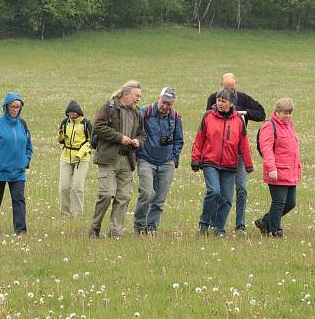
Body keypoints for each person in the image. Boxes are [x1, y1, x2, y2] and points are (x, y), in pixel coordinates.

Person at [206, 73, 264, 232]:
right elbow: (208, 120)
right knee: (217, 192)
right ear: (220, 84)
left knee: (242, 188)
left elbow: (261, 114)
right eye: (226, 87)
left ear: (236, 84)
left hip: (238, 153)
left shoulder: (243, 98)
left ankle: (240, 224)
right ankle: (214, 223)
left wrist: (243, 113)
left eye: (232, 87)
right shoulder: (213, 98)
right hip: (218, 154)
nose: (229, 90)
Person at [192, 88, 254, 236]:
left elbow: (244, 143)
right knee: (214, 191)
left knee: (226, 198)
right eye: (218, 100)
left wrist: (248, 164)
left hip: (230, 164)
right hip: (210, 162)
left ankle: (219, 228)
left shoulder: (239, 120)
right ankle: (204, 223)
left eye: (223, 101)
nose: (220, 103)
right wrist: (195, 158)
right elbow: (199, 138)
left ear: (231, 103)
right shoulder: (208, 116)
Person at [90, 80, 146, 238]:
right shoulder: (109, 108)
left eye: (140, 96)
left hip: (127, 160)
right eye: (137, 96)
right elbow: (98, 127)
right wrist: (119, 138)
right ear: (126, 94)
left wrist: (138, 142)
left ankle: (115, 232)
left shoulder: (136, 113)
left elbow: (142, 134)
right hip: (108, 159)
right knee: (106, 194)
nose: (138, 99)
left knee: (123, 197)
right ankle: (95, 227)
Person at [132, 87, 184, 234]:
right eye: (163, 102)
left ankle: (152, 228)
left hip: (167, 162)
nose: (165, 106)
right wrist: (137, 153)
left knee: (159, 199)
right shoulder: (145, 112)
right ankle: (139, 226)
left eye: (169, 104)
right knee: (147, 193)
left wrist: (174, 159)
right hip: (146, 159)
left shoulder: (175, 117)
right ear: (158, 98)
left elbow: (179, 140)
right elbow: (136, 132)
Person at [0, 93, 33, 235]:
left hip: (18, 172)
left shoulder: (23, 125)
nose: (16, 109)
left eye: (18, 106)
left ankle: (21, 231)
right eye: (12, 107)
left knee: (19, 201)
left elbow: (29, 147)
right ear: (6, 107)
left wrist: (25, 161)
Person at [254, 98, 302, 238]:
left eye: (289, 113)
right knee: (279, 202)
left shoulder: (289, 125)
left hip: (290, 171)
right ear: (277, 111)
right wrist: (272, 168)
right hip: (277, 171)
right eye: (284, 113)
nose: (287, 116)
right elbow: (266, 149)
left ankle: (264, 221)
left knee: (291, 203)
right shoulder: (269, 126)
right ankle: (275, 231)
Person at [58, 101, 92, 217]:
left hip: (82, 158)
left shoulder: (86, 124)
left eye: (73, 113)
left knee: (77, 187)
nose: (71, 115)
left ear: (78, 113)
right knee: (64, 187)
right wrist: (60, 136)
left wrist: (81, 153)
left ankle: (78, 214)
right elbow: (61, 141)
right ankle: (65, 214)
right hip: (66, 157)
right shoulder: (65, 123)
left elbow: (92, 141)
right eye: (69, 113)